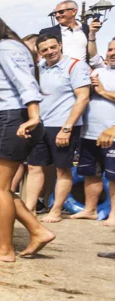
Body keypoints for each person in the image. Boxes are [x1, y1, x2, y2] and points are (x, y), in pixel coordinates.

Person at [0, 14, 54, 262]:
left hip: (13, 120)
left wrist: (33, 116)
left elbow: (25, 82)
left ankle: (4, 249)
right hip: (3, 119)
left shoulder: (6, 48)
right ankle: (37, 230)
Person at [23, 34, 91, 223]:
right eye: (44, 49)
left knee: (62, 169)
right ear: (39, 52)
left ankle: (56, 210)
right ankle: (30, 209)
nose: (50, 52)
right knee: (34, 167)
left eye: (53, 47)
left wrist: (67, 128)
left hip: (63, 125)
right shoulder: (40, 69)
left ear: (60, 45)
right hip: (41, 125)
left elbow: (83, 97)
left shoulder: (75, 65)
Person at [72, 38, 115, 224]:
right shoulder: (97, 71)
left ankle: (114, 214)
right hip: (89, 132)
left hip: (112, 133)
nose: (112, 53)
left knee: (114, 177)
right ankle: (90, 210)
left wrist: (104, 92)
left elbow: (103, 92)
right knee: (91, 173)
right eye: (110, 49)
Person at [39, 0, 104, 65]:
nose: (57, 15)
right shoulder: (48, 32)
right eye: (55, 13)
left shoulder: (87, 29)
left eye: (61, 12)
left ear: (74, 11)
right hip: (59, 72)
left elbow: (93, 57)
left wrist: (92, 33)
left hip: (83, 72)